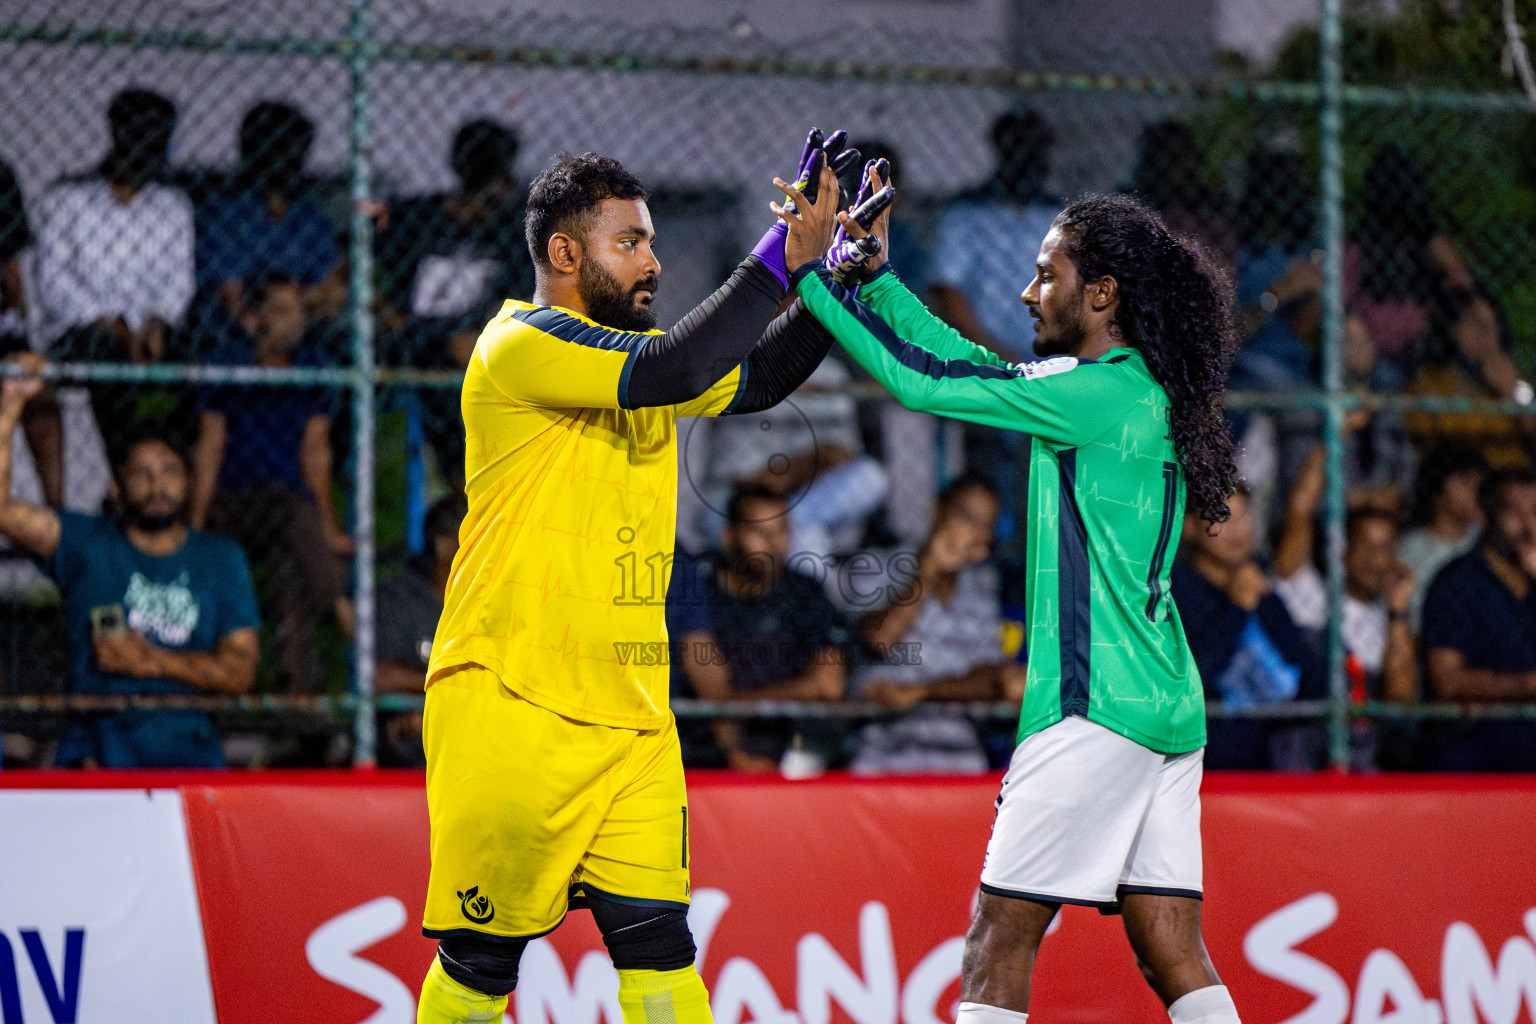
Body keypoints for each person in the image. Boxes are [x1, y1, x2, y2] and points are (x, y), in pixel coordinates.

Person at [414, 135, 846, 1024]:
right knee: (481, 968)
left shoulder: (635, 361)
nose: (652, 261)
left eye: (650, 240)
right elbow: (683, 365)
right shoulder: (517, 346)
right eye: (631, 242)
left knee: (661, 952)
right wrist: (782, 254)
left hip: (633, 720)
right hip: (512, 702)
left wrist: (830, 271)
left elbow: (756, 375)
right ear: (565, 254)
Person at [797, 183, 1245, 1022]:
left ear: (1101, 292)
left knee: (995, 941)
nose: (1027, 292)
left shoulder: (1089, 397)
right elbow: (976, 366)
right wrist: (879, 281)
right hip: (1167, 704)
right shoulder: (1129, 390)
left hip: (1093, 706)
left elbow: (923, 386)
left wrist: (810, 281)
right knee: (1170, 945)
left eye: (1047, 275)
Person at [0, 356, 259, 767]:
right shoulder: (87, 543)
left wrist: (151, 660)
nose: (158, 486)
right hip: (97, 746)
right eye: (142, 474)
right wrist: (10, 404)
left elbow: (241, 670)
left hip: (188, 748)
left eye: (170, 472)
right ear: (117, 489)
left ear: (188, 481)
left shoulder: (221, 559)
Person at [191, 272, 349, 694]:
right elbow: (210, 448)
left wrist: (328, 529)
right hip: (235, 505)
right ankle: (341, 608)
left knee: (291, 569)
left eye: (299, 311)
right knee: (287, 508)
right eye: (280, 310)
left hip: (292, 520)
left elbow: (316, 458)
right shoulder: (229, 365)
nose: (293, 321)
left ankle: (294, 694)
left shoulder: (313, 368)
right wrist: (195, 523)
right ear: (253, 317)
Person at [379, 119, 536, 490]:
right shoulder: (414, 220)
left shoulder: (511, 236)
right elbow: (366, 284)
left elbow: (514, 308)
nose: (500, 190)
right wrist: (398, 321)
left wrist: (482, 338)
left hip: (471, 358)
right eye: (491, 178)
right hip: (407, 348)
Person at [33, 89, 194, 439]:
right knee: (106, 353)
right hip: (84, 329)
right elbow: (54, 284)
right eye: (140, 134)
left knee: (198, 350)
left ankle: (166, 457)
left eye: (157, 137)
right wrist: (116, 327)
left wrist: (157, 320)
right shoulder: (66, 199)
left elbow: (178, 281)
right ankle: (123, 460)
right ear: (117, 133)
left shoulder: (173, 206)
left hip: (152, 328)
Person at [672, 484, 851, 771]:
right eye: (759, 532)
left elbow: (827, 685)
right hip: (709, 750)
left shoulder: (805, 593)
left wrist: (732, 704)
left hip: (793, 747)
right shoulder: (699, 590)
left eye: (781, 531)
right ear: (728, 536)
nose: (773, 544)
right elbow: (699, 681)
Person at [851, 476, 1022, 774]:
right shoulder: (877, 565)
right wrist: (929, 569)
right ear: (936, 511)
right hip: (883, 748)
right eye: (966, 517)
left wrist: (921, 692)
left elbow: (990, 678)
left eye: (985, 525)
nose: (973, 533)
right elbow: (879, 639)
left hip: (959, 752)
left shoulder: (982, 589)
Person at [1170, 487, 1325, 770]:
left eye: (1243, 516)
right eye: (1222, 517)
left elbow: (1309, 676)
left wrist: (1258, 603)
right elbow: (1190, 678)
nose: (1237, 529)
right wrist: (1236, 611)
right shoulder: (1175, 592)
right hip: (1200, 766)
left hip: (1269, 765)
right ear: (1188, 526)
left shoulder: (1257, 586)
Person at [1417, 468, 1536, 771]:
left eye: (1535, 512)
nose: (1528, 526)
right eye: (1514, 513)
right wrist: (1525, 685)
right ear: (1486, 518)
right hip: (1476, 747)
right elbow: (1447, 680)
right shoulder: (1457, 583)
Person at [196, 101, 340, 342]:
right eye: (281, 148)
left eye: (299, 150)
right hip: (234, 337)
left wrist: (294, 316)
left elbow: (330, 289)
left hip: (300, 332)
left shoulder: (307, 212)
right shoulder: (225, 212)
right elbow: (231, 298)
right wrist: (271, 329)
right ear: (254, 150)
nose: (292, 160)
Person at [928, 109, 1058, 362]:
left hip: (1053, 358)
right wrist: (994, 355)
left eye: (1036, 147)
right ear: (1001, 150)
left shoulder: (1058, 215)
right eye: (1019, 145)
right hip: (984, 358)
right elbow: (947, 290)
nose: (1029, 157)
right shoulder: (967, 214)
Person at [374, 493, 467, 768]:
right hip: (405, 749)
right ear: (442, 544)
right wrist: (455, 684)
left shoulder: (487, 600)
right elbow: (383, 676)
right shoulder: (401, 598)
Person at [1397, 444, 1486, 630]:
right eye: (1464, 481)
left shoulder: (1485, 543)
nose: (1474, 491)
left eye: (1478, 484)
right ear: (1437, 489)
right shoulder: (1410, 549)